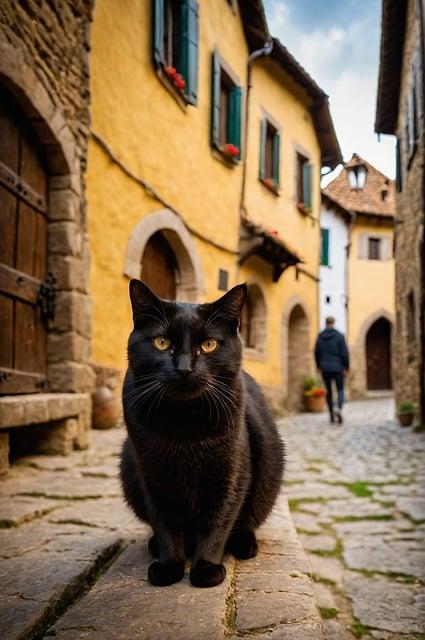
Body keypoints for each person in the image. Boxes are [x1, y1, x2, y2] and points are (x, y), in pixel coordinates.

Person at [314, 317, 349, 424]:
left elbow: (316, 352)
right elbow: (345, 353)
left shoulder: (320, 337)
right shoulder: (340, 336)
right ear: (333, 323)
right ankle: (338, 408)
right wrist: (346, 367)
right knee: (340, 389)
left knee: (328, 391)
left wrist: (318, 365)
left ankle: (331, 415)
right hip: (338, 367)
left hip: (325, 367)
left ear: (326, 323)